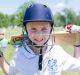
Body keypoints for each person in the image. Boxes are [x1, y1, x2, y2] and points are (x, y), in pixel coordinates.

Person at [0, 3, 80, 75]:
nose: (39, 35)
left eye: (44, 29)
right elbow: (10, 72)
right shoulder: (21, 53)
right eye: (33, 29)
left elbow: (77, 66)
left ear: (51, 29)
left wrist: (77, 41)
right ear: (26, 30)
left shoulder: (57, 52)